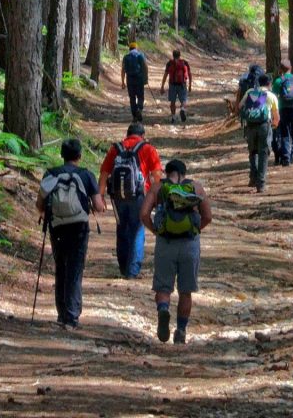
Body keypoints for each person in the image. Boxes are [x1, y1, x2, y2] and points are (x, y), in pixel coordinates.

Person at [140, 159, 212, 345]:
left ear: (166, 172)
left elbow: (144, 214)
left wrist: (156, 231)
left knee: (163, 287)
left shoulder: (158, 188)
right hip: (190, 243)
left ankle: (163, 309)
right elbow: (208, 216)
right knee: (186, 291)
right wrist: (196, 229)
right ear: (184, 173)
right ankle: (181, 329)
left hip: (166, 243)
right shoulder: (196, 187)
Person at [35, 139, 105, 329]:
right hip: (79, 227)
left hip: (57, 226)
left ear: (61, 155)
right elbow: (99, 206)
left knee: (61, 266)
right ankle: (72, 316)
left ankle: (62, 312)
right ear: (80, 156)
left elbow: (40, 204)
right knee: (75, 268)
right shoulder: (86, 175)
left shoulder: (51, 174)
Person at [99, 123, 163, 279]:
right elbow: (157, 176)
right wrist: (157, 198)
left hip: (117, 196)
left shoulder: (116, 148)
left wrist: (100, 195)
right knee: (137, 229)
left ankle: (123, 266)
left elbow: (104, 173)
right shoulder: (148, 149)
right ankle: (132, 270)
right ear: (142, 135)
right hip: (139, 195)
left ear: (127, 134)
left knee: (122, 229)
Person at [239, 74, 280, 193]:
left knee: (252, 151)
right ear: (269, 84)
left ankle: (253, 177)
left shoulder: (250, 92)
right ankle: (261, 183)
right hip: (264, 126)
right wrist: (274, 125)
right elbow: (276, 116)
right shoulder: (271, 96)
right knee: (263, 153)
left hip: (250, 126)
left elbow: (240, 106)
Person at [160, 49, 192, 124]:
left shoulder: (169, 63)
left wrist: (162, 86)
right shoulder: (184, 62)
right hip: (182, 84)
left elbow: (165, 75)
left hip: (172, 84)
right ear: (180, 55)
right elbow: (189, 74)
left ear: (173, 55)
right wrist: (190, 84)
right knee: (183, 100)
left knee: (172, 102)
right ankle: (182, 109)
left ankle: (173, 117)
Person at [121, 42, 149, 122]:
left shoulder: (126, 57)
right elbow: (145, 67)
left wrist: (123, 82)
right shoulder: (140, 55)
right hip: (139, 79)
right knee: (140, 96)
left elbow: (123, 70)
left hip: (130, 80)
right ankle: (139, 109)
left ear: (129, 49)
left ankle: (134, 115)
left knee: (132, 98)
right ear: (136, 48)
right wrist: (146, 78)